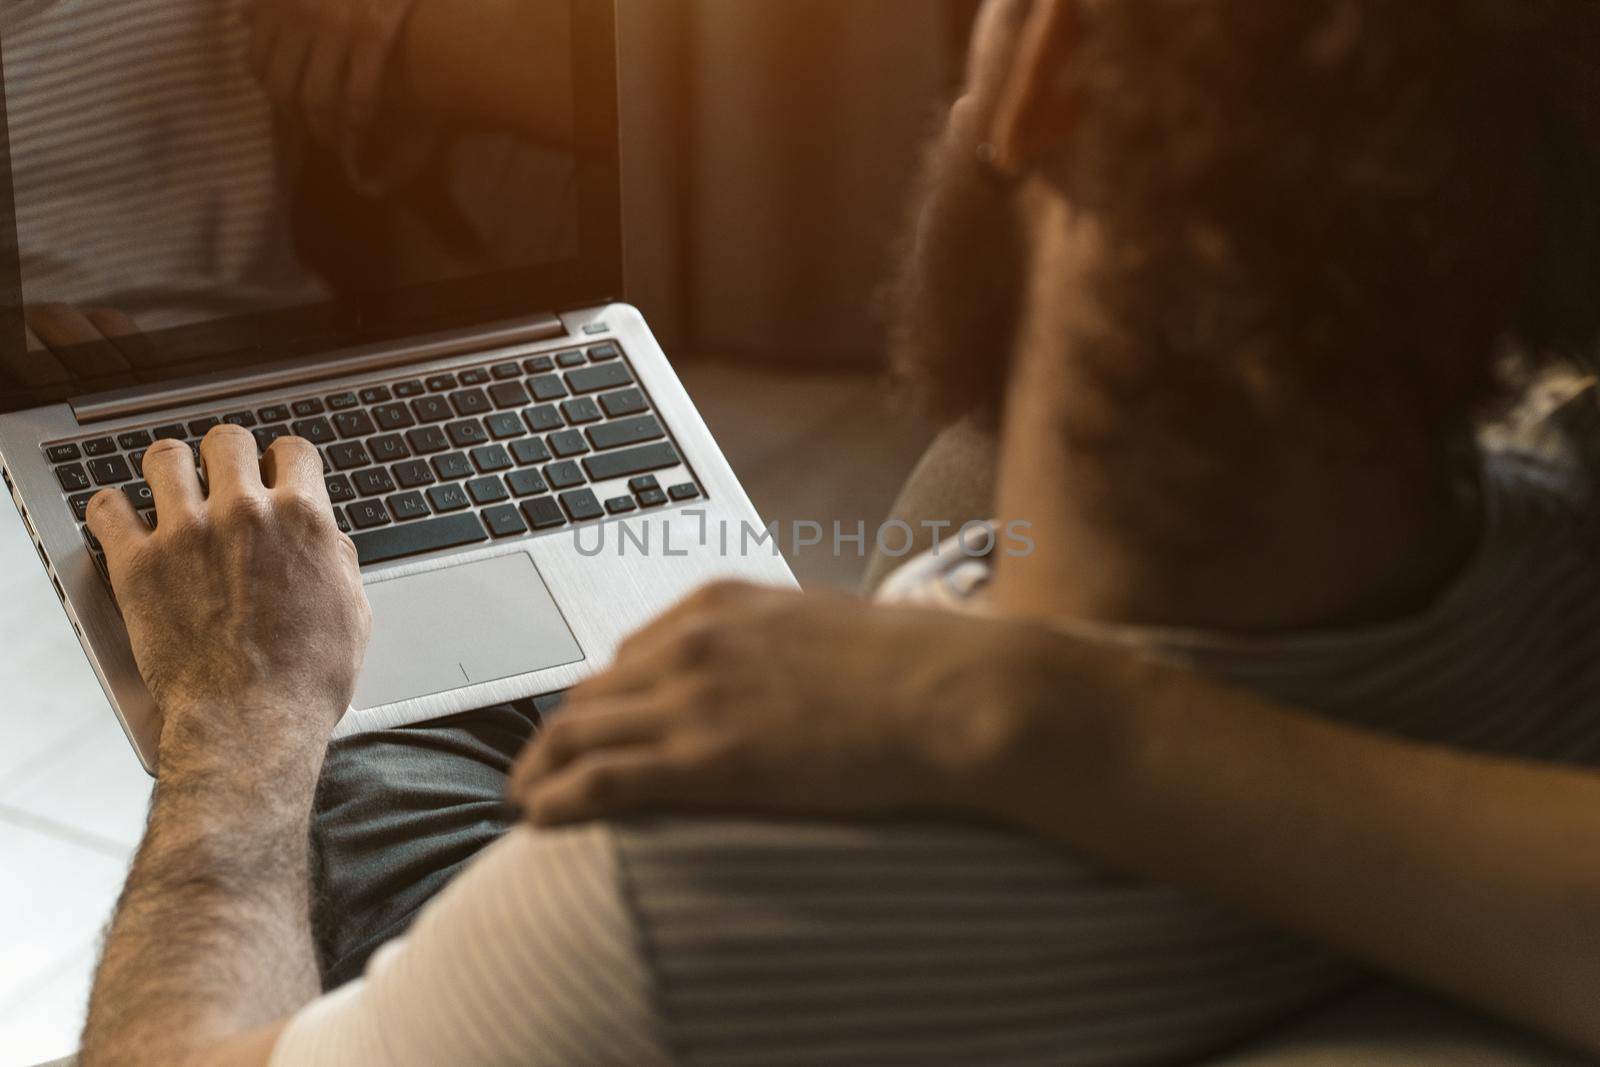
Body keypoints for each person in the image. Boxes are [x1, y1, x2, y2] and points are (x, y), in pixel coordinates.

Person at [76, 0, 1600, 1064]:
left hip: (620, 961)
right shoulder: (1566, 570)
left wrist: (242, 730)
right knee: (880, 503)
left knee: (365, 751)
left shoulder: (664, 908)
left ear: (1044, 67)